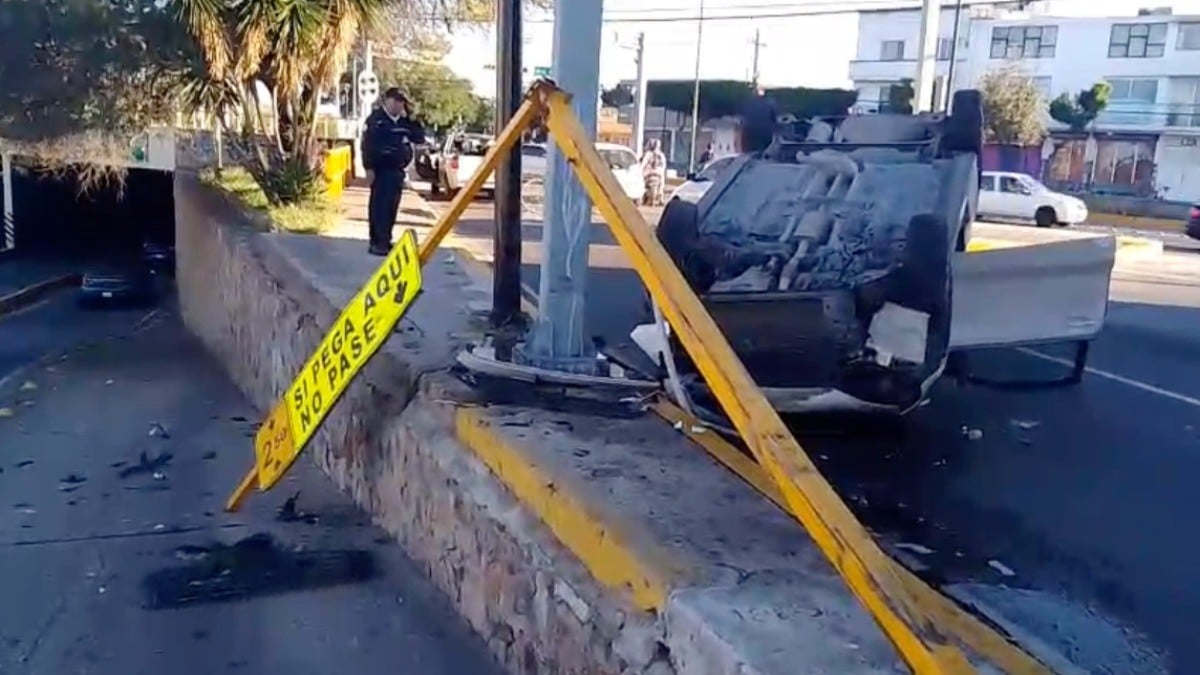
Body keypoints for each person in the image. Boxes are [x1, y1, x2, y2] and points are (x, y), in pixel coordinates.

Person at [361, 87, 426, 256]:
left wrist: (412, 117)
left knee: (391, 208)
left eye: (401, 102)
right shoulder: (376, 120)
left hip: (397, 171)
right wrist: (368, 168)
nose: (398, 104)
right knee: (379, 207)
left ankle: (386, 239)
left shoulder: (404, 123)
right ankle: (377, 242)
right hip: (380, 170)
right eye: (395, 100)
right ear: (386, 100)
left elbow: (419, 137)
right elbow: (367, 146)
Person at [739, 86, 777, 154]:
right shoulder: (770, 103)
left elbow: (743, 118)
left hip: (750, 132)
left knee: (749, 152)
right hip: (765, 132)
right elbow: (774, 118)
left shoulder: (747, 103)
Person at [639, 139, 667, 206]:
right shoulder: (661, 155)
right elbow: (664, 166)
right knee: (661, 184)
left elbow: (643, 164)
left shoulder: (648, 154)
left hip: (649, 172)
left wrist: (640, 171)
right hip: (658, 173)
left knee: (641, 183)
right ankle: (661, 199)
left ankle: (641, 197)